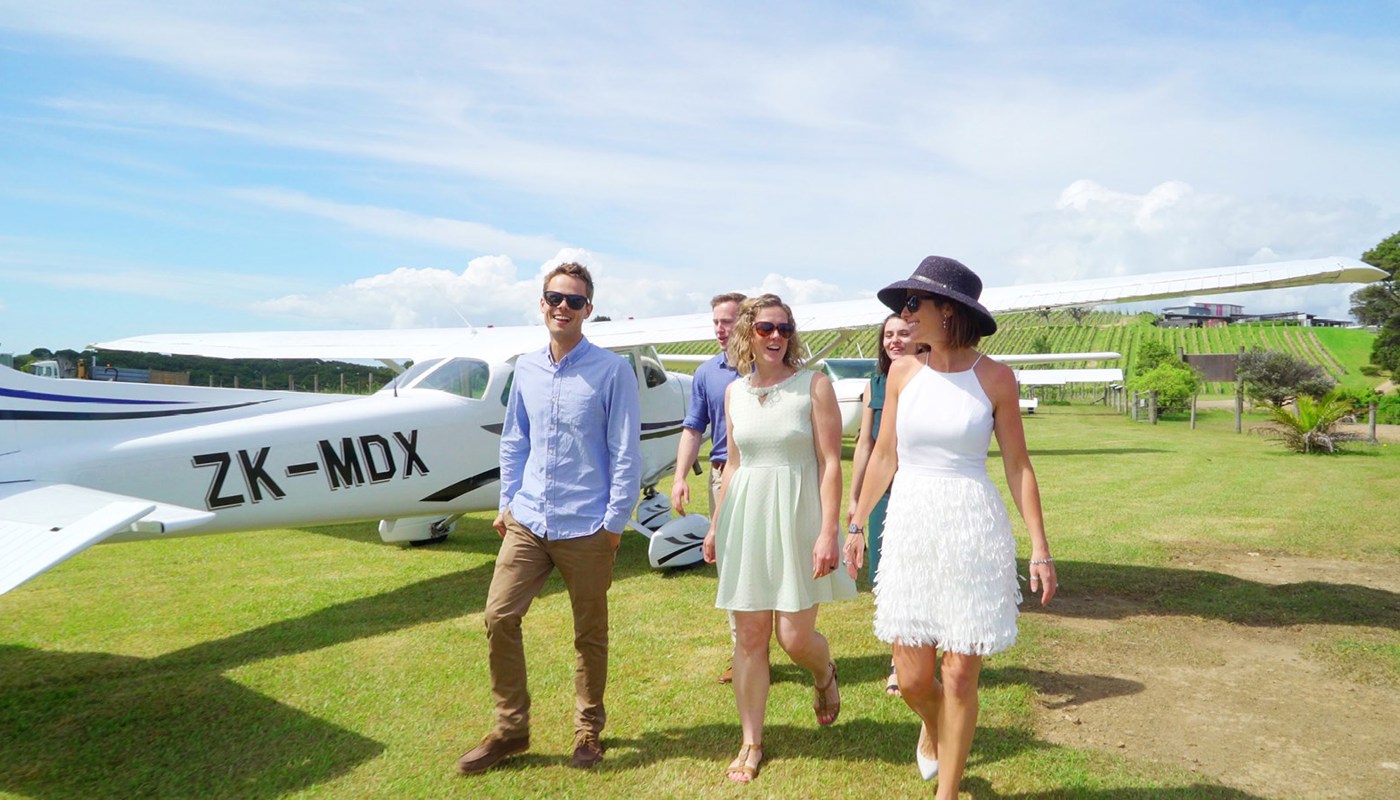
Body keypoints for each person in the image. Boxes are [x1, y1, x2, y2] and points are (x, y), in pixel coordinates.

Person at [845, 256, 1057, 796]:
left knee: (961, 673)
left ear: (950, 310)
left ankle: (948, 791)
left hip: (971, 527)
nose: (905, 314)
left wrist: (1040, 547)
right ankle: (935, 727)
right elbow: (885, 454)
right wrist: (854, 526)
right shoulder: (901, 373)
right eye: (904, 305)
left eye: (915, 304)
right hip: (912, 524)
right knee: (914, 680)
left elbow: (1018, 465)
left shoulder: (996, 378)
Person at [456, 262, 642, 775]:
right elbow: (515, 439)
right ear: (542, 303)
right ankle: (511, 730)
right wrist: (506, 503)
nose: (563, 307)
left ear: (588, 310)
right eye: (555, 298)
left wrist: (613, 524)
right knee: (499, 616)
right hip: (529, 518)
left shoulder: (612, 371)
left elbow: (624, 451)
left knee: (589, 633)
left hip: (586, 525)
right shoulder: (527, 369)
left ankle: (588, 729)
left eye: (575, 301)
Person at [701, 294, 857, 783]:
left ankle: (823, 672)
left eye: (784, 329)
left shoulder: (814, 386)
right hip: (745, 518)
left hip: (798, 515)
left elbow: (831, 463)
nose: (776, 337)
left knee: (792, 638)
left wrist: (828, 530)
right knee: (749, 637)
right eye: (766, 328)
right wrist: (715, 523)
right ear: (748, 333)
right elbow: (734, 465)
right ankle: (751, 742)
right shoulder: (734, 394)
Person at [670, 292, 746, 684]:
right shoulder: (706, 374)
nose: (720, 329)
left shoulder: (772, 368)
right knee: (731, 566)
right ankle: (744, 653)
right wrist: (681, 475)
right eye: (716, 321)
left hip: (767, 475)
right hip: (722, 477)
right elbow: (693, 429)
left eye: (729, 321)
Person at [845, 313, 913, 696]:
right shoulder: (875, 384)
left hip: (917, 489)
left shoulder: (926, 377)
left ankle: (904, 662)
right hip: (883, 494)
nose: (894, 340)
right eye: (888, 334)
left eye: (903, 332)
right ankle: (899, 655)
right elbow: (866, 445)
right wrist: (857, 498)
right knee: (886, 577)